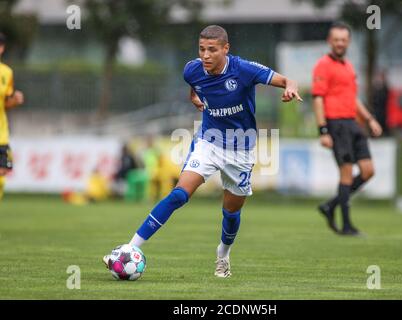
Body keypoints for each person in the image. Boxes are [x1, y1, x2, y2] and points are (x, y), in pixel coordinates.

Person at [103, 25, 301, 277]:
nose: (205, 55)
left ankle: (223, 254)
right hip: (209, 141)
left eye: (212, 50)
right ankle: (128, 249)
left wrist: (290, 88)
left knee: (231, 212)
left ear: (225, 49)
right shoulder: (192, 69)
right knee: (178, 195)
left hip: (241, 149)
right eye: (202, 49)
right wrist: (195, 97)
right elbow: (195, 84)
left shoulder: (244, 70)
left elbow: (287, 79)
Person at [312, 22, 382, 236]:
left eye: (344, 40)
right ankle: (347, 226)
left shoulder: (348, 66)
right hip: (336, 124)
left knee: (368, 171)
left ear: (348, 42)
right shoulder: (323, 65)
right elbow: (317, 99)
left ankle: (330, 205)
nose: (340, 43)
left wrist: (370, 119)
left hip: (353, 123)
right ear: (329, 41)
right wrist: (323, 131)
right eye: (336, 39)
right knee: (347, 174)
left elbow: (352, 98)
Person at [0, 32, 24, 200]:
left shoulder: (6, 73)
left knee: (3, 171)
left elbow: (5, 104)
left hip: (1, 134)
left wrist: (14, 101)